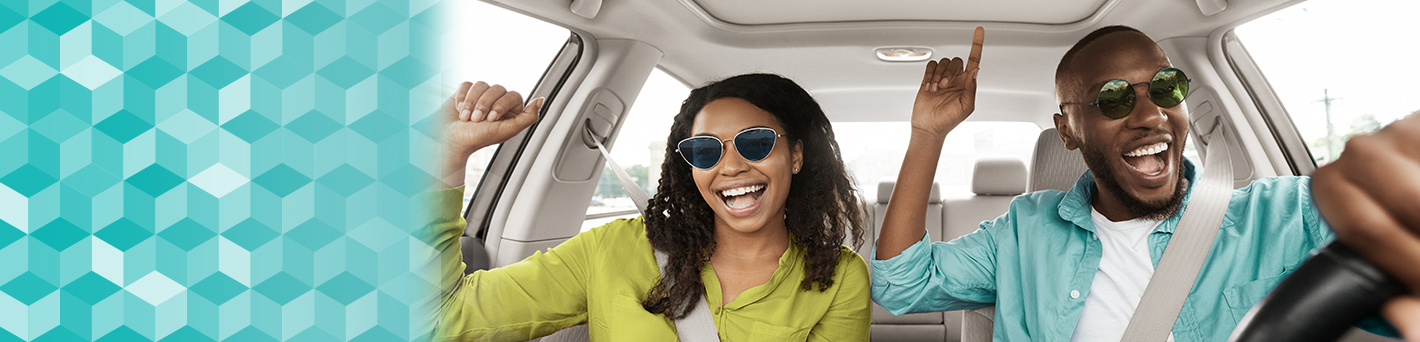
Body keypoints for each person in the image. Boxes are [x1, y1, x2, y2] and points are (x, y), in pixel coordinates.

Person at [871, 25, 1420, 341]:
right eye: (1112, 98)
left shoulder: (1278, 212)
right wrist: (927, 135)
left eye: (1165, 86)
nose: (1150, 114)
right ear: (1067, 131)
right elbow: (899, 284)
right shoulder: (1022, 231)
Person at [425, 75, 872, 341]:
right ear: (690, 167)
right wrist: (448, 159)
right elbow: (444, 319)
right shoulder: (611, 250)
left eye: (756, 143)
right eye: (705, 150)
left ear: (794, 156)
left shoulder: (837, 278)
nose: (731, 166)